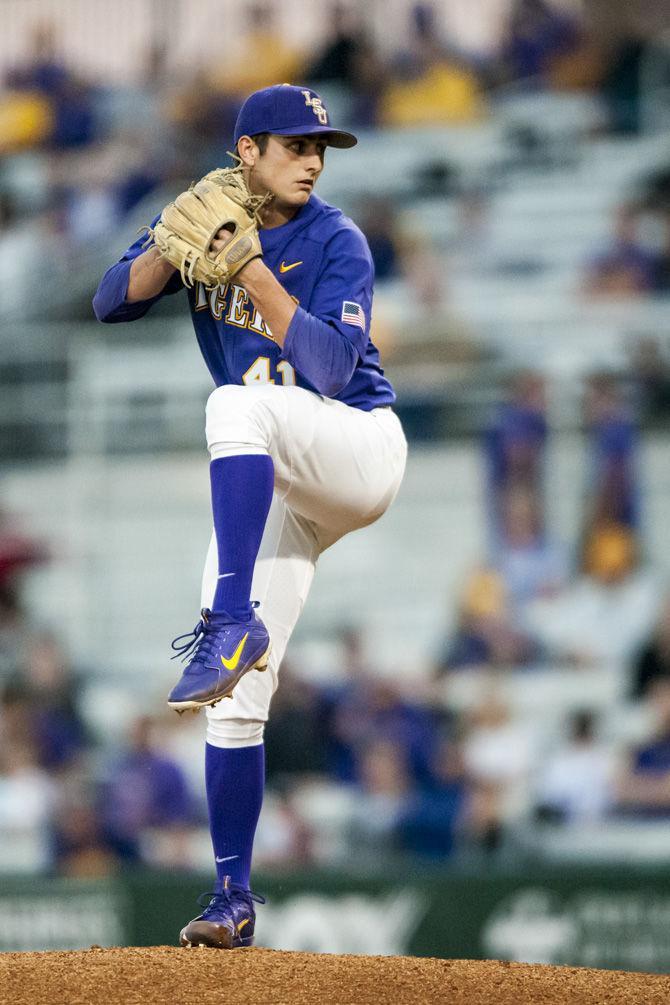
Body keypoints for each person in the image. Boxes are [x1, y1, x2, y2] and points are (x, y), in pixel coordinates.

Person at [92, 84, 406, 949]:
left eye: (321, 147)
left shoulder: (334, 236)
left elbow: (336, 369)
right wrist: (169, 244)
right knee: (235, 702)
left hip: (355, 450)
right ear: (246, 152)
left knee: (234, 406)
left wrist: (253, 270)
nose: (312, 159)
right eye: (294, 143)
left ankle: (231, 618)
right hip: (280, 483)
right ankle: (232, 898)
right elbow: (109, 301)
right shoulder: (208, 213)